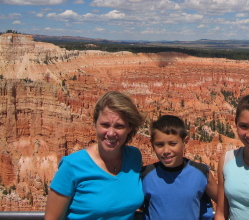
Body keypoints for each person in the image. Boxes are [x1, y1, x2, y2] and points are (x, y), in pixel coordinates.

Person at [45, 91, 145, 220]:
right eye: (105, 125)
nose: (111, 133)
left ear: (130, 128)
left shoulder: (134, 157)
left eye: (119, 126)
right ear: (95, 124)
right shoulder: (72, 166)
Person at [141, 114, 218, 220]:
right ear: (152, 145)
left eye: (172, 144)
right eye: (159, 145)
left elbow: (223, 203)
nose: (166, 151)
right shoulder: (145, 175)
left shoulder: (201, 173)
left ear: (185, 141)